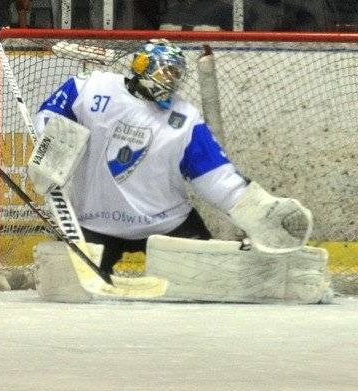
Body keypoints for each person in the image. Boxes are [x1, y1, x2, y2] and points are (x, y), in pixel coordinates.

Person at [30, 39, 310, 273]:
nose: (171, 81)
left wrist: (258, 210)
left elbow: (215, 177)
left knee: (209, 279)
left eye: (177, 75)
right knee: (69, 284)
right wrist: (50, 150)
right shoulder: (90, 88)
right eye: (167, 72)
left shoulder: (184, 118)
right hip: (95, 222)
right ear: (143, 67)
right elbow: (50, 114)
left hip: (166, 223)